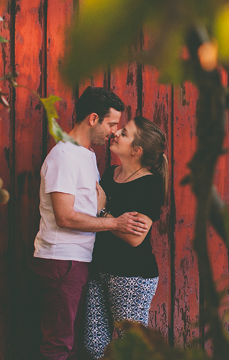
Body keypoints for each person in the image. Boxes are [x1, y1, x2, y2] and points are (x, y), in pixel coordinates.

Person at [32, 87, 150, 360]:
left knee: (70, 345)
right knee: (58, 346)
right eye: (111, 124)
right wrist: (116, 224)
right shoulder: (64, 156)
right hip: (61, 262)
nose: (113, 131)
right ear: (93, 118)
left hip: (77, 263)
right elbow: (65, 216)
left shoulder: (86, 155)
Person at [84, 116, 168, 360]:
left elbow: (135, 239)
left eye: (125, 132)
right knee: (94, 345)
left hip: (132, 276)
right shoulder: (111, 174)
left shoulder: (149, 185)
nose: (116, 133)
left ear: (136, 150)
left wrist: (103, 211)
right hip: (99, 269)